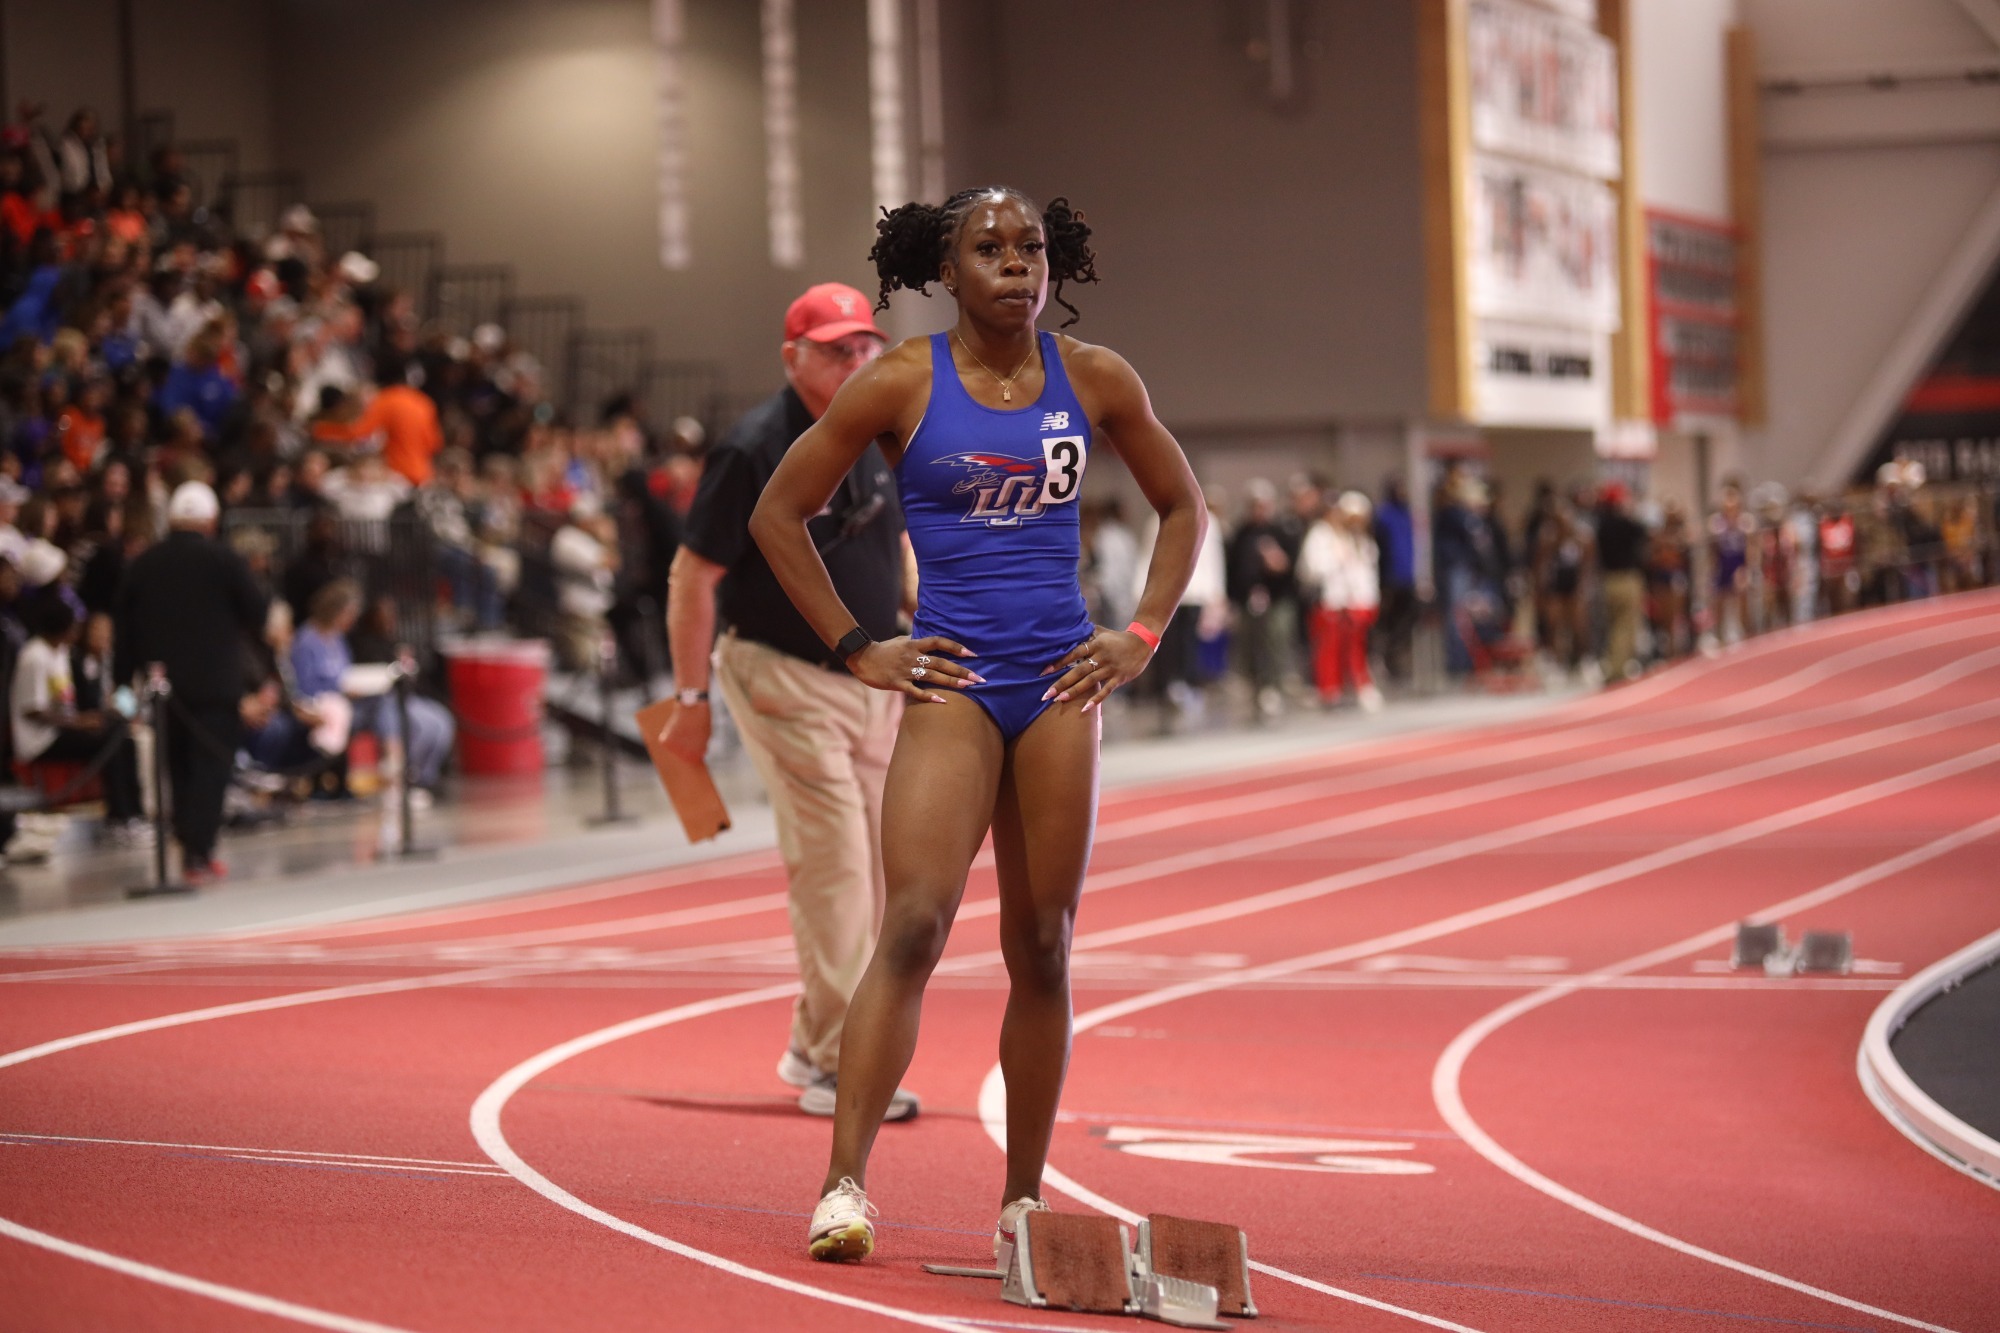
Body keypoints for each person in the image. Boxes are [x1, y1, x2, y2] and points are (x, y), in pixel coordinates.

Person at [749, 186, 1203, 1264]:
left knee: (1040, 943)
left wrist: (1138, 632)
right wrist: (857, 644)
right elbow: (777, 513)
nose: (1013, 265)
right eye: (987, 250)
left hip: (1056, 686)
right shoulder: (903, 379)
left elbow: (1182, 504)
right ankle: (843, 1186)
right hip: (950, 685)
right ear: (943, 273)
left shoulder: (1096, 379)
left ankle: (1020, 1203)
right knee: (910, 925)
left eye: (1029, 248)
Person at [660, 282, 914, 1122]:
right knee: (837, 862)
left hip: (873, 676)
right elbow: (694, 576)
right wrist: (690, 697)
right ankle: (845, 1062)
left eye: (866, 345)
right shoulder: (754, 447)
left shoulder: (879, 432)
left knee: (882, 868)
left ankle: (815, 1042)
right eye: (838, 348)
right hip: (784, 671)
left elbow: (897, 539)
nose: (858, 360)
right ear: (793, 357)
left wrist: (912, 609)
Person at [113, 482, 268, 883]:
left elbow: (123, 633)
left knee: (177, 766)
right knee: (210, 767)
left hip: (164, 687)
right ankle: (199, 850)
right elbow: (257, 611)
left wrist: (124, 690)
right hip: (215, 685)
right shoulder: (224, 559)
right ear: (211, 521)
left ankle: (188, 845)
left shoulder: (144, 563)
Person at [11, 593, 144, 839]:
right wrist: (79, 722)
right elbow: (33, 709)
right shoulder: (34, 656)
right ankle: (119, 818)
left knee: (121, 734)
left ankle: (135, 813)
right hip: (41, 739)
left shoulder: (60, 653)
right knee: (110, 740)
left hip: (63, 728)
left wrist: (90, 718)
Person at [1297, 490, 1382, 710]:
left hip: (1352, 601)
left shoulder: (1357, 539)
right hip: (1330, 600)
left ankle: (1351, 686)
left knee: (1354, 647)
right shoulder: (1322, 535)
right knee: (1328, 648)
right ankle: (1329, 690)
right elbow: (1313, 568)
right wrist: (1337, 562)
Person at [1594, 483, 1648, 682]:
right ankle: (1618, 668)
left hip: (1608, 580)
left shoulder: (1600, 524)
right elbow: (1643, 532)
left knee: (1613, 624)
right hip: (1626, 578)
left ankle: (1613, 664)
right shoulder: (1624, 523)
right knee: (1626, 625)